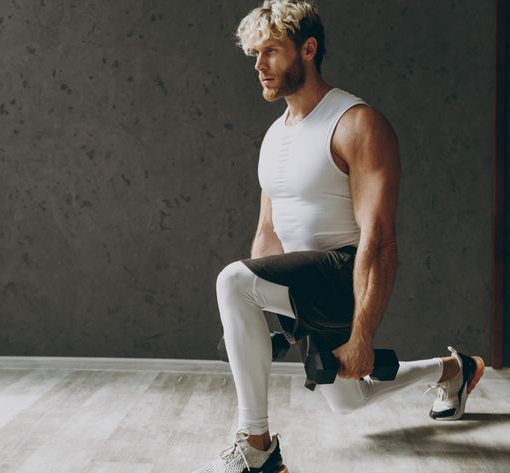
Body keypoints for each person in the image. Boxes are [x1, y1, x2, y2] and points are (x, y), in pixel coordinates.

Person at [191, 1, 485, 472]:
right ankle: (454, 369)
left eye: (271, 51)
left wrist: (362, 333)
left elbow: (380, 240)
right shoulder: (274, 135)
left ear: (307, 50)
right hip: (304, 282)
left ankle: (258, 448)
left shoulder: (356, 123)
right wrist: (268, 320)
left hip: (343, 276)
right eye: (254, 54)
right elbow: (268, 233)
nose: (259, 66)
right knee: (349, 399)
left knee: (230, 280)